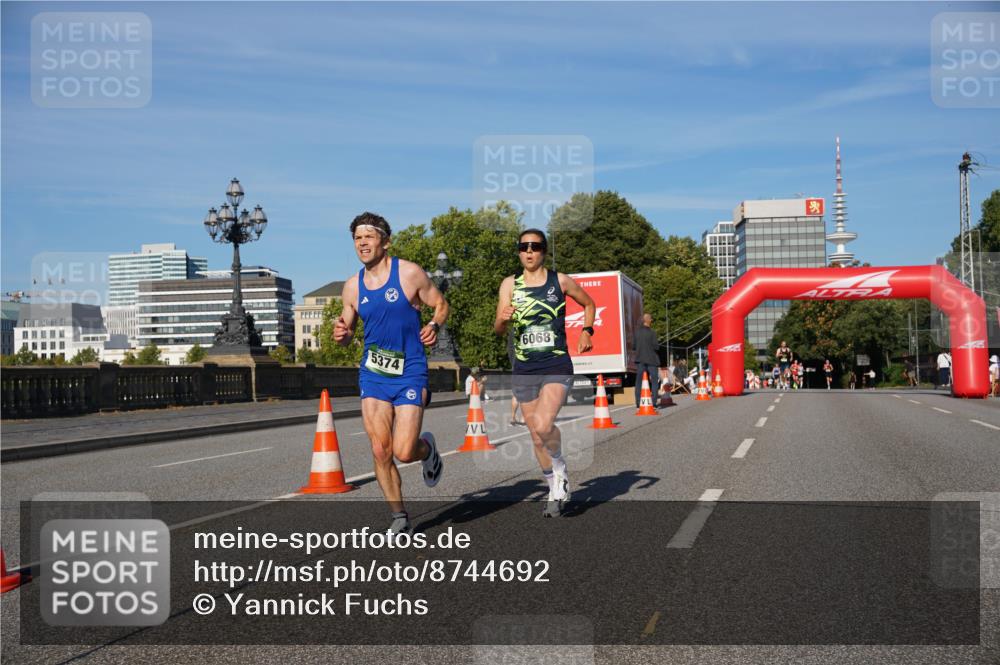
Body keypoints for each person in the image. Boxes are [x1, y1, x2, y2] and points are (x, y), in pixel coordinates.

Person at [334, 212, 448, 535]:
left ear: (385, 241)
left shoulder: (409, 273)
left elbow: (440, 304)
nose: (362, 243)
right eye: (357, 238)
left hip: (410, 370)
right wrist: (341, 335)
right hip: (373, 374)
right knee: (380, 449)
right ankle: (399, 516)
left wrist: (433, 324)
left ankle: (426, 450)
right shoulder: (352, 287)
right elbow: (345, 329)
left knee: (403, 450)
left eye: (368, 237)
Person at [494, 229, 595, 518]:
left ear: (543, 251)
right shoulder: (509, 284)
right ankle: (554, 486)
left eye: (535, 247)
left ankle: (560, 467)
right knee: (536, 436)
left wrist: (587, 331)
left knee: (542, 423)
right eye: (524, 247)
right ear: (518, 251)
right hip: (524, 367)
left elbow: (589, 303)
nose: (529, 251)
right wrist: (501, 320)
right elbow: (499, 328)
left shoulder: (559, 281)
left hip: (556, 364)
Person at [632, 313, 660, 410]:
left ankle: (638, 402)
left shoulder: (636, 333)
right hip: (651, 360)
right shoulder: (652, 332)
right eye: (651, 319)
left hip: (640, 360)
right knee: (654, 381)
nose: (652, 320)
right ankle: (654, 402)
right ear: (647, 320)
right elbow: (656, 346)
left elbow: (634, 346)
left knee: (639, 381)